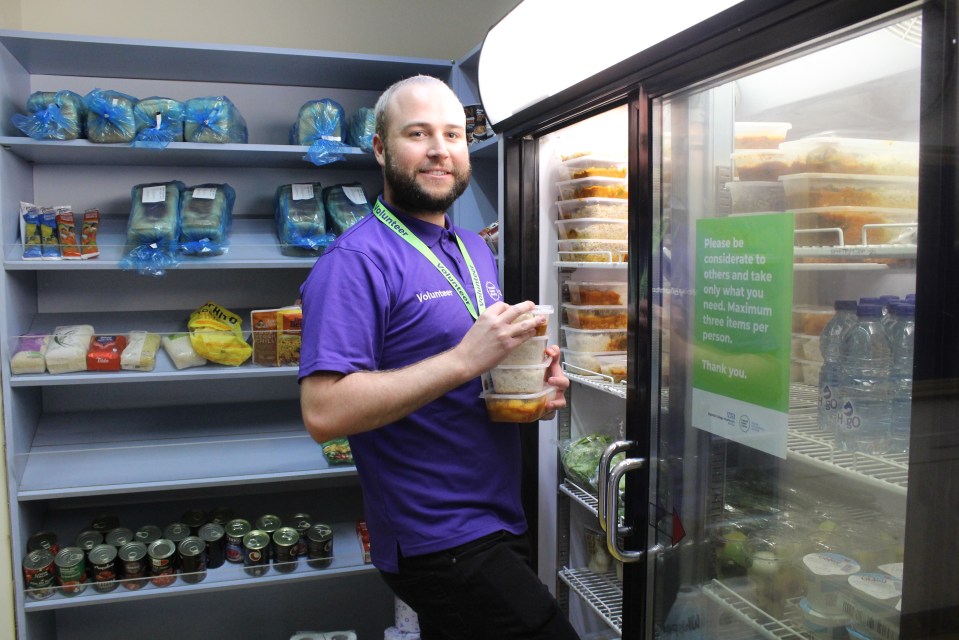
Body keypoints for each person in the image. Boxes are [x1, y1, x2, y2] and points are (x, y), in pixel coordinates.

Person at [298, 74, 578, 640]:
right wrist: (463, 360)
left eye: (453, 134)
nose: (438, 150)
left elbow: (471, 373)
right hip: (439, 536)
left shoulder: (473, 247)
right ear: (380, 148)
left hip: (498, 513)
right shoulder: (353, 262)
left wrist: (529, 388)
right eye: (417, 133)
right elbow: (323, 412)